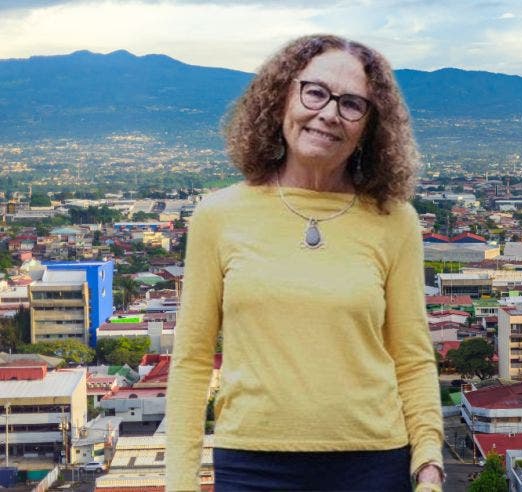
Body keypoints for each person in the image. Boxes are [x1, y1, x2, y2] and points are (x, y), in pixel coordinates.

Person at [166, 34, 444, 491]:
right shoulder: (218, 216)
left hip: (374, 465)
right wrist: (180, 482)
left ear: (370, 127)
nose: (329, 113)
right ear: (281, 98)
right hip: (252, 466)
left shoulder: (395, 222)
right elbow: (192, 361)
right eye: (314, 92)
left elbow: (411, 358)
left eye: (352, 104)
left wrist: (429, 462)